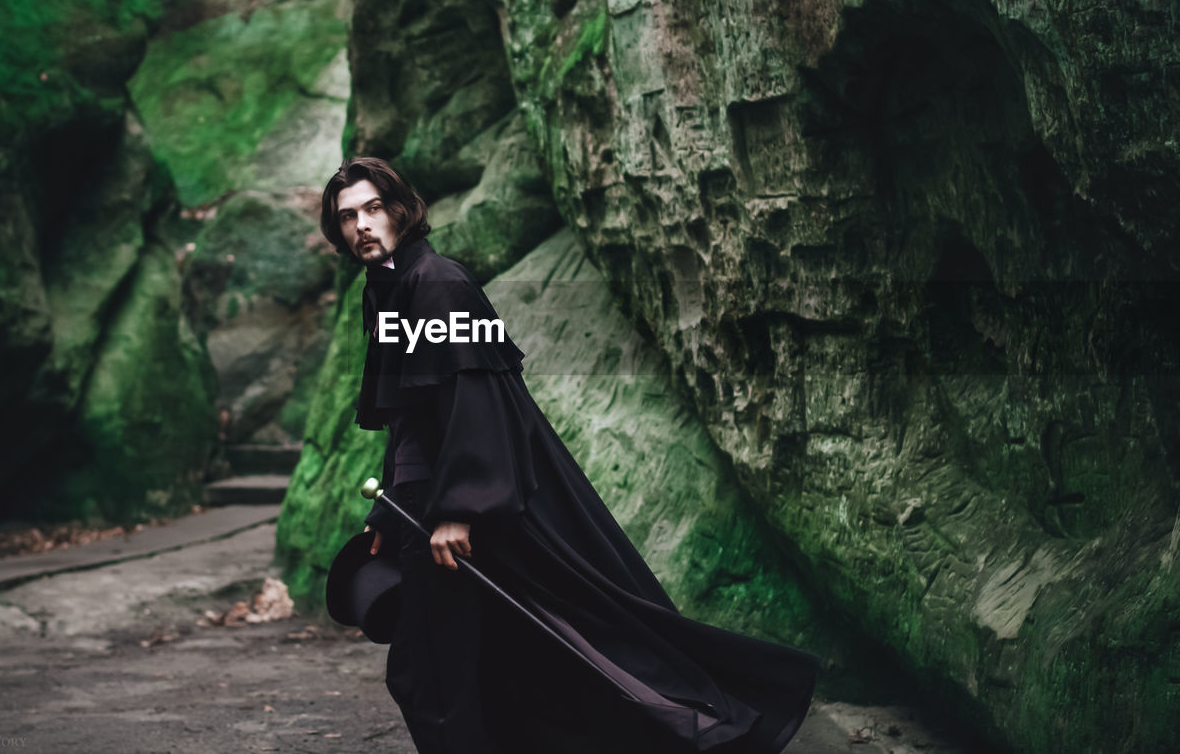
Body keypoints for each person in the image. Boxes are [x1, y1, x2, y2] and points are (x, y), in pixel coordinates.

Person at [320, 157, 819, 754]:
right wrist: (389, 512)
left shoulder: (438, 284)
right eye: (348, 217)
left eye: (373, 208)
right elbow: (412, 418)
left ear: (400, 210)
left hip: (462, 517)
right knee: (486, 664)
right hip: (428, 510)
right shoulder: (390, 288)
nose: (362, 226)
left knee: (436, 669)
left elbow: (475, 400)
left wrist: (458, 509)